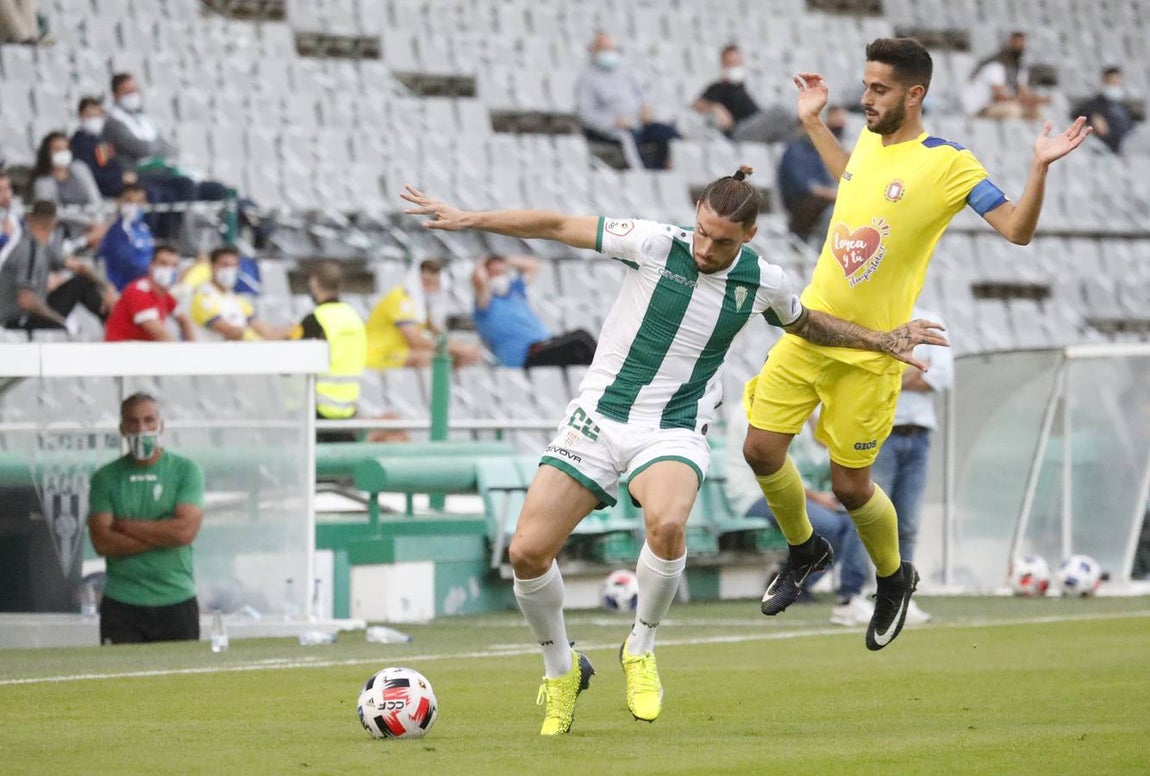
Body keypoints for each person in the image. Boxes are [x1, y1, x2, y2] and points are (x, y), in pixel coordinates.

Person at [400, 173, 946, 735]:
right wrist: (470, 218)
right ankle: (562, 669)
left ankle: (640, 646)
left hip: (673, 426)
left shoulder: (764, 280)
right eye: (702, 234)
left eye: (723, 242)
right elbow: (559, 225)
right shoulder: (655, 242)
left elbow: (806, 323)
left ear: (750, 235)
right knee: (528, 553)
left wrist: (880, 340)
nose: (707, 250)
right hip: (596, 418)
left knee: (665, 524)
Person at [742, 37, 1090, 652]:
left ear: (914, 93)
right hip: (812, 330)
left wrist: (1038, 168)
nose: (865, 97)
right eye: (865, 84)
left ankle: (893, 578)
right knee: (760, 450)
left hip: (875, 351)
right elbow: (849, 178)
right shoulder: (871, 146)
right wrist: (814, 123)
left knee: (851, 489)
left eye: (878, 89)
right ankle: (804, 550)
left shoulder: (949, 164)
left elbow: (1017, 229)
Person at [724, 399, 873, 625]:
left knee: (851, 523)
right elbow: (773, 470)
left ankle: (799, 585)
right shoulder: (753, 407)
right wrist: (818, 498)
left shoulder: (795, 403)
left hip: (791, 492)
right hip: (755, 495)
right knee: (829, 526)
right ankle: (789, 583)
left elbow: (816, 458)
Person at [87, 392, 205, 645]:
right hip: (122, 604)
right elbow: (102, 543)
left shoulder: (186, 471)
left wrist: (126, 526)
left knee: (180, 682)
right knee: (120, 682)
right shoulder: (105, 478)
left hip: (176, 599)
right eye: (133, 421)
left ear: (160, 425)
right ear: (122, 428)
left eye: (149, 420)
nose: (142, 428)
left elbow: (184, 532)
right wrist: (165, 533)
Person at [869, 305, 952, 625]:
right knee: (870, 517)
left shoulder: (932, 317)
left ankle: (899, 596)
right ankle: (858, 593)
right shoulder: (876, 313)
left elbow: (942, 376)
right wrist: (909, 370)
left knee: (907, 525)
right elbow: (870, 372)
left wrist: (893, 370)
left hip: (918, 435)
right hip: (881, 433)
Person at [0, 200, 112, 336]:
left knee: (81, 282)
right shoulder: (30, 250)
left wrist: (107, 289)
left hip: (27, 314)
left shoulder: (41, 247)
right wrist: (60, 320)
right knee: (80, 284)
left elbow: (81, 268)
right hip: (18, 320)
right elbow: (26, 299)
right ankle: (117, 322)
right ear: (54, 222)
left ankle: (115, 318)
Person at [575, 32, 681, 170]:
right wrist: (613, 121)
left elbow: (642, 94)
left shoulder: (626, 71)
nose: (609, 53)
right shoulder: (586, 79)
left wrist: (646, 107)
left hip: (639, 122)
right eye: (604, 49)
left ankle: (671, 171)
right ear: (593, 50)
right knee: (629, 139)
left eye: (611, 48)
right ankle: (645, 176)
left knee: (667, 132)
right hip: (614, 128)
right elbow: (586, 114)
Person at [472, 254, 596, 368]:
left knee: (580, 348)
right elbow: (478, 280)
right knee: (580, 339)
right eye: (495, 274)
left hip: (542, 345)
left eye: (503, 273)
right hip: (524, 355)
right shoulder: (484, 303)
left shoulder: (515, 290)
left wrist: (504, 260)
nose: (501, 277)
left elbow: (532, 265)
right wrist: (484, 260)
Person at [290, 260, 367, 443]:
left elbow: (292, 360)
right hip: (348, 408)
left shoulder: (315, 319)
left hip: (318, 409)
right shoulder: (354, 317)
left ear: (314, 283)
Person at [364, 258, 482, 370]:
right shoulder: (401, 298)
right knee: (428, 358)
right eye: (426, 283)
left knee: (458, 358)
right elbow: (416, 341)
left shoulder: (424, 305)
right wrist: (459, 349)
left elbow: (439, 334)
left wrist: (464, 349)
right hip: (380, 354)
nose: (430, 289)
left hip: (400, 353)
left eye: (434, 284)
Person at [692, 44, 794, 144]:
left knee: (788, 127)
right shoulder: (718, 87)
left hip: (756, 128)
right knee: (780, 111)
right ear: (724, 64)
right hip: (739, 132)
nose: (736, 65)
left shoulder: (744, 86)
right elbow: (696, 105)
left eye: (738, 61)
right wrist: (715, 107)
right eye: (732, 63)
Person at [777, 105, 849, 245]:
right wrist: (834, 194)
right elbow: (808, 187)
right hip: (801, 206)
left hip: (819, 201)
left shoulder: (816, 152)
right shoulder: (794, 151)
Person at [189, 246, 286, 341]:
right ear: (212, 266)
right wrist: (259, 340)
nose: (230, 270)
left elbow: (261, 328)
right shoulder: (202, 297)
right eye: (225, 265)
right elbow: (230, 332)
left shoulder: (237, 299)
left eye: (234, 265)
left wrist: (285, 332)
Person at [103, 244, 194, 342]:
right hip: (120, 350)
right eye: (163, 264)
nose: (169, 269)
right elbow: (159, 333)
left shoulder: (164, 295)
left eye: (174, 265)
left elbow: (184, 319)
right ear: (151, 266)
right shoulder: (138, 291)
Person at [961, 31, 1049, 120]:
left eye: (1021, 46)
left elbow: (1023, 93)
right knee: (1013, 110)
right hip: (980, 108)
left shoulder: (1020, 68)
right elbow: (999, 97)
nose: (1019, 49)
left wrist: (1036, 100)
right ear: (1008, 44)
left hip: (1001, 105)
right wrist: (1024, 100)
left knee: (1035, 113)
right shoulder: (994, 65)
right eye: (1015, 45)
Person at [97, 183, 155, 292]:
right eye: (129, 201)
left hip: (145, 285)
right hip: (124, 289)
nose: (134, 205)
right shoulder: (116, 232)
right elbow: (128, 264)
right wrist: (154, 272)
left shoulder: (144, 229)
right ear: (119, 202)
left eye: (139, 202)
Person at [1076, 67, 1139, 154]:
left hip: (1130, 143)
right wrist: (1092, 117)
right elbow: (1079, 113)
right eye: (1111, 82)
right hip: (1112, 145)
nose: (1115, 85)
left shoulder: (1124, 106)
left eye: (1117, 82)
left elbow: (1134, 123)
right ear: (1104, 81)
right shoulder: (1096, 103)